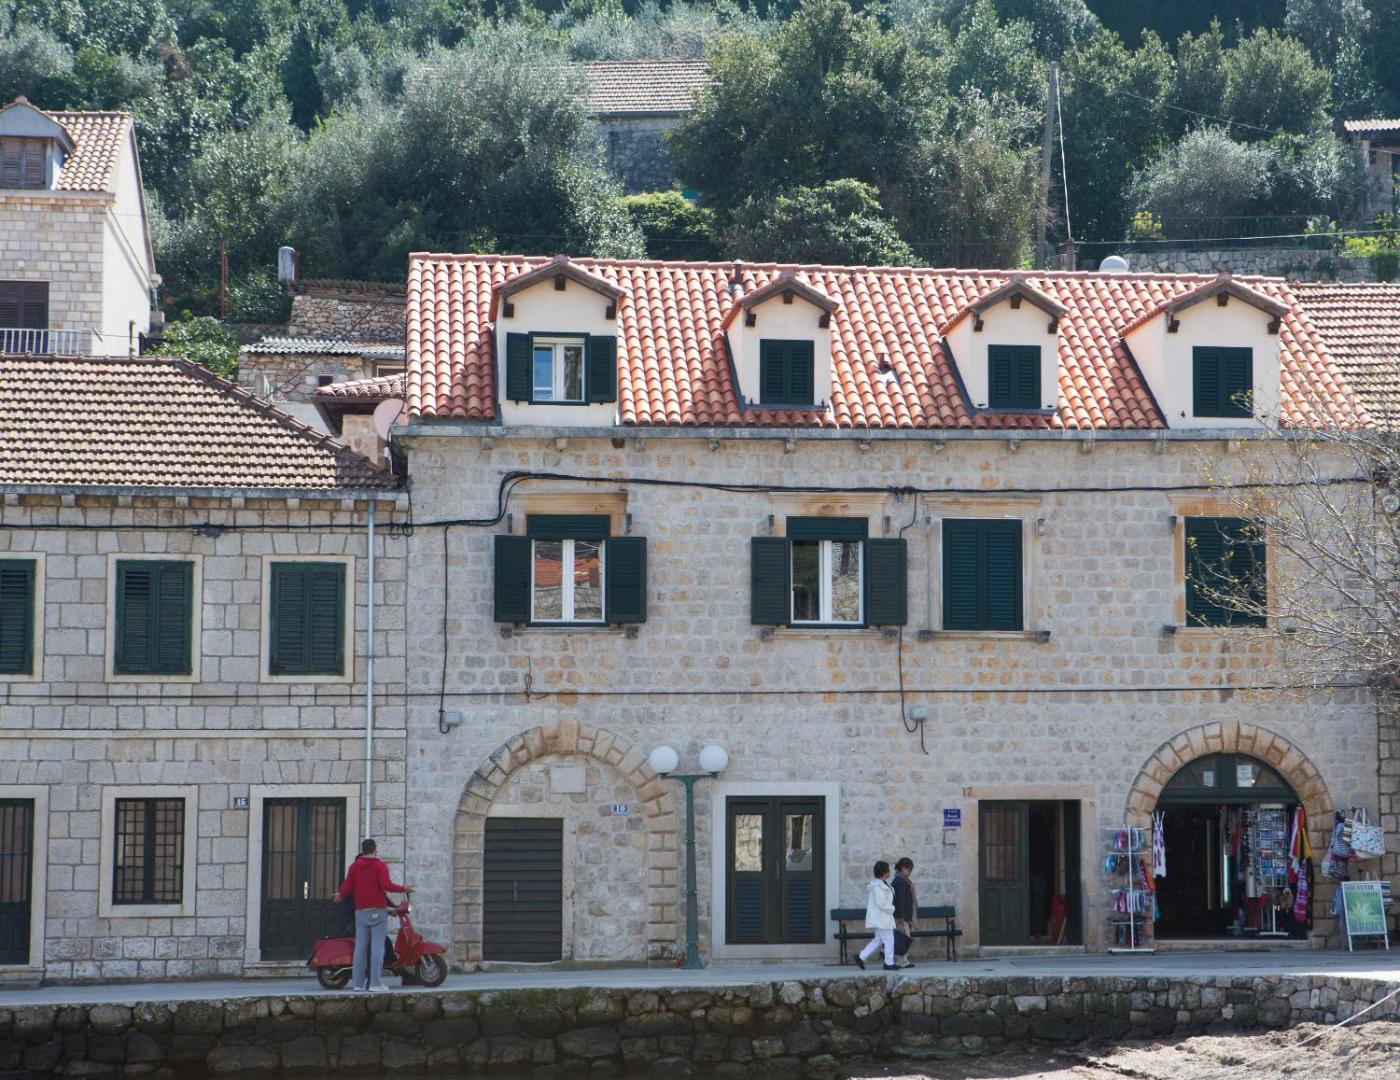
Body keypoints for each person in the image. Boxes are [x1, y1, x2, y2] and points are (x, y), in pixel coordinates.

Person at [336, 838, 412, 992]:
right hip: (378, 911)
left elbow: (347, 887)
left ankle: (358, 984)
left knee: (360, 948)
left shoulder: (354, 867)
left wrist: (340, 896)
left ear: (363, 850)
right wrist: (404, 888)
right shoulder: (380, 865)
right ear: (375, 849)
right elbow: (386, 885)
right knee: (378, 948)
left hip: (360, 913)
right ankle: (375, 984)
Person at [855, 860, 897, 970]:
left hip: (882, 917)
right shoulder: (878, 887)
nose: (890, 872)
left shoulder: (880, 885)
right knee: (889, 939)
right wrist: (892, 909)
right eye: (888, 870)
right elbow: (881, 903)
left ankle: (861, 956)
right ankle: (889, 963)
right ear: (884, 872)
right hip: (882, 917)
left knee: (878, 939)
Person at [891, 857, 918, 969]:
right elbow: (900, 900)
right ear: (903, 868)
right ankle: (902, 961)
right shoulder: (901, 881)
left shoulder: (899, 880)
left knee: (902, 937)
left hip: (901, 915)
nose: (910, 872)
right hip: (902, 916)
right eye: (909, 870)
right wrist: (900, 917)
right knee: (904, 938)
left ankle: (901, 960)